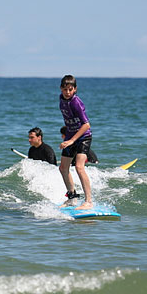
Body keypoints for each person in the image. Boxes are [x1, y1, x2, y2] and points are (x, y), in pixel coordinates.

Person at [58, 75, 93, 210]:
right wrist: (68, 138)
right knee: (63, 168)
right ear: (61, 89)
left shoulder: (76, 102)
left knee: (79, 167)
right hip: (70, 138)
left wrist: (72, 140)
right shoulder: (61, 100)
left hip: (83, 137)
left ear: (75, 89)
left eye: (70, 89)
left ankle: (88, 201)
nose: (67, 92)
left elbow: (86, 125)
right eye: (65, 89)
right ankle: (72, 198)